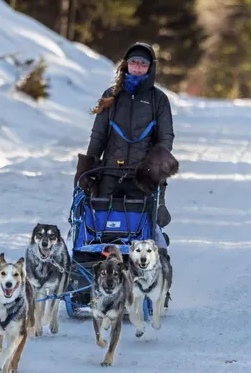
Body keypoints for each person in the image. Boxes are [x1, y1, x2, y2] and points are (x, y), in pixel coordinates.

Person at [74, 42, 179, 248]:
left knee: (142, 228)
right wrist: (87, 170)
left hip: (142, 176)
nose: (138, 67)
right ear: (126, 65)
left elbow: (166, 138)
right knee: (101, 224)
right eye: (134, 63)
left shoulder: (158, 99)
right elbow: (98, 136)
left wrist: (153, 169)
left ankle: (149, 261)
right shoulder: (111, 95)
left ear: (150, 67)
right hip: (110, 172)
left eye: (143, 64)